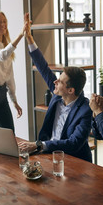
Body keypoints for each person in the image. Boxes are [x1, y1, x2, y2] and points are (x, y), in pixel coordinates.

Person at [18, 14, 92, 162]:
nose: (55, 82)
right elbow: (43, 67)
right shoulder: (58, 95)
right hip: (48, 155)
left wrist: (39, 145)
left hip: (73, 161)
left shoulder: (85, 109)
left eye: (60, 81)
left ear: (71, 90)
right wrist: (29, 38)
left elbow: (73, 143)